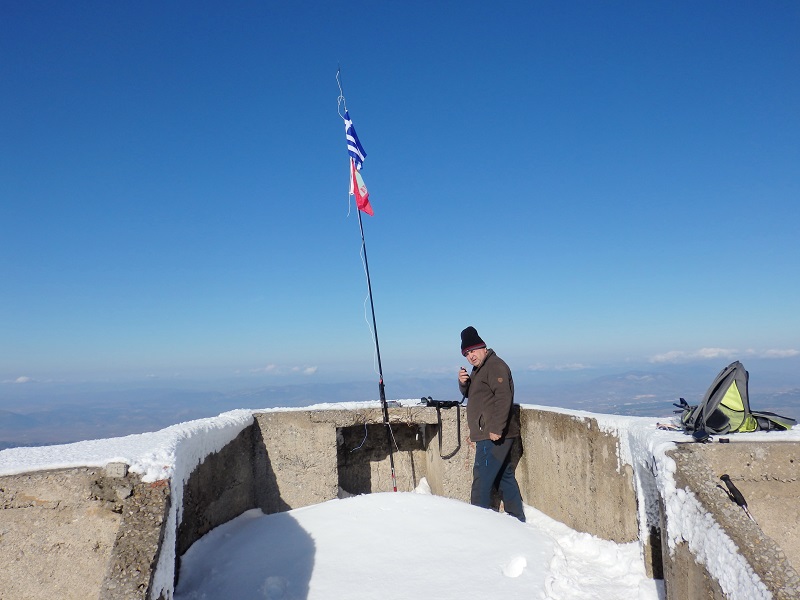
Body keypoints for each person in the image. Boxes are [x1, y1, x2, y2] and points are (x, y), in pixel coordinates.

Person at [458, 326, 525, 522]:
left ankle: (479, 526)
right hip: (490, 433)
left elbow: (504, 397)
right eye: (466, 353)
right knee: (504, 477)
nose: (470, 356)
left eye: (473, 350)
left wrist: (496, 428)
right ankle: (517, 520)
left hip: (494, 434)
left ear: (483, 347)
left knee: (481, 481)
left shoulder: (494, 365)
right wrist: (464, 383)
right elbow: (475, 396)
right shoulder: (479, 369)